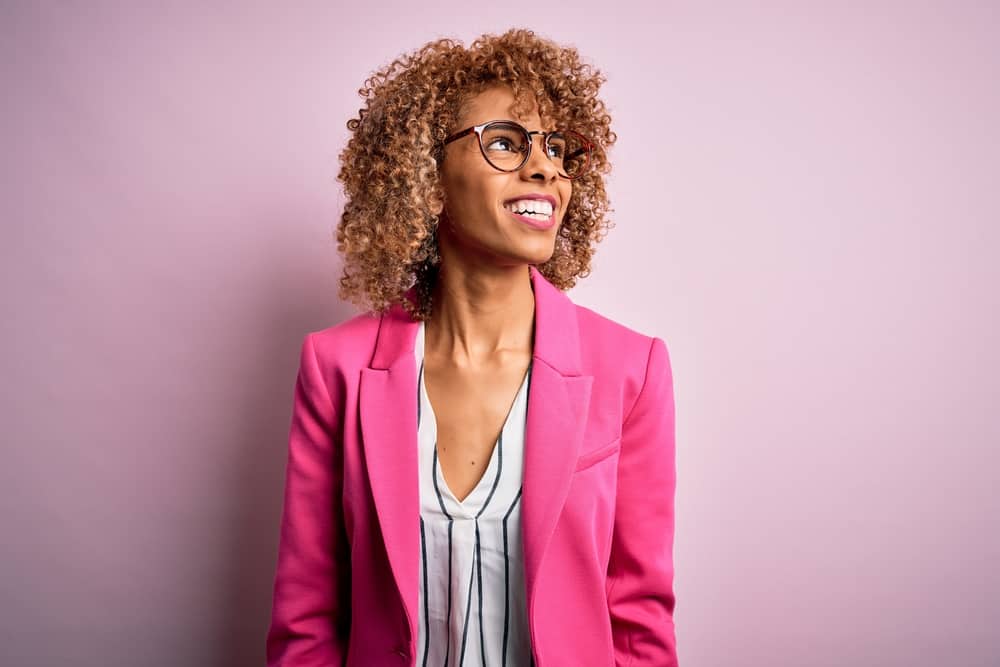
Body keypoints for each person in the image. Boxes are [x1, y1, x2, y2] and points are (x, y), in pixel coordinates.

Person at [265, 28, 678, 667]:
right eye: (507, 143)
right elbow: (308, 621)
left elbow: (638, 619)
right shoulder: (336, 368)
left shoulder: (632, 369)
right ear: (425, 175)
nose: (545, 168)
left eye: (558, 150)